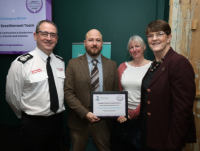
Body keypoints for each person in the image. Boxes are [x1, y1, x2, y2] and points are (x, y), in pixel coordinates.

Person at [6, 20, 65, 151]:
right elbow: (12, 97)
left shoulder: (60, 62)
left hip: (57, 121)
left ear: (57, 39)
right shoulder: (21, 63)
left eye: (53, 35)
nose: (49, 38)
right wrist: (28, 117)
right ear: (35, 36)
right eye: (44, 33)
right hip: (34, 124)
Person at [140, 20, 196, 151]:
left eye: (159, 34)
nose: (154, 39)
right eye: (150, 35)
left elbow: (183, 112)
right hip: (149, 135)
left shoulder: (179, 63)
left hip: (166, 140)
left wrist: (172, 145)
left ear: (169, 37)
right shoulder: (155, 64)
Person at [64, 29, 119, 151]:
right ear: (85, 43)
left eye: (98, 40)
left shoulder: (112, 65)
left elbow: (115, 92)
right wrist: (85, 113)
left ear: (102, 43)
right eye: (91, 40)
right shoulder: (73, 64)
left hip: (103, 123)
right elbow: (68, 93)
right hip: (79, 122)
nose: (94, 43)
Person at [116, 35, 151, 150]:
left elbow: (151, 95)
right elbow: (118, 91)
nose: (134, 49)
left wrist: (133, 113)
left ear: (144, 47)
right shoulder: (122, 66)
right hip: (123, 117)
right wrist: (120, 111)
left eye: (137, 46)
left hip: (143, 117)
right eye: (131, 47)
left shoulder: (152, 67)